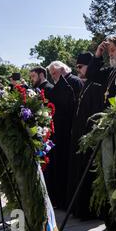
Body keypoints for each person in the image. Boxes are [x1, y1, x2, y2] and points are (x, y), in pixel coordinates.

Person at [66, 52, 106, 220]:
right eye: (76, 67)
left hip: (89, 136)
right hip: (80, 135)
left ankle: (88, 210)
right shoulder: (87, 84)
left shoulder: (96, 85)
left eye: (80, 67)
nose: (78, 70)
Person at [45, 61, 82, 210]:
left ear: (62, 69)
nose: (52, 76)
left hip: (69, 131)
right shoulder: (59, 84)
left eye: (54, 73)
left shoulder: (74, 81)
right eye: (51, 74)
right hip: (59, 133)